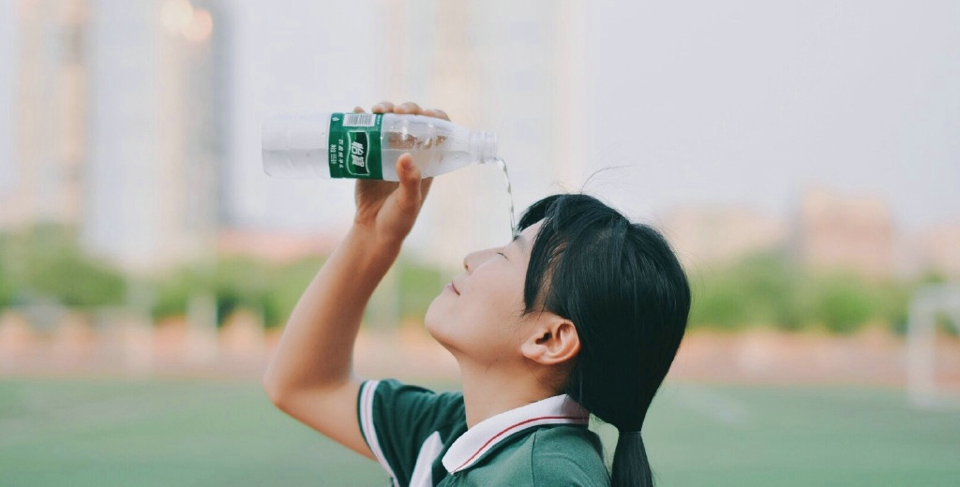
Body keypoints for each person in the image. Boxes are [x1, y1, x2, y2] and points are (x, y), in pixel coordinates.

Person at [263, 101, 691, 487]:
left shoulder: (542, 475)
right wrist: (373, 231)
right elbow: (304, 385)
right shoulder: (456, 431)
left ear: (550, 338)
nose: (472, 258)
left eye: (506, 254)